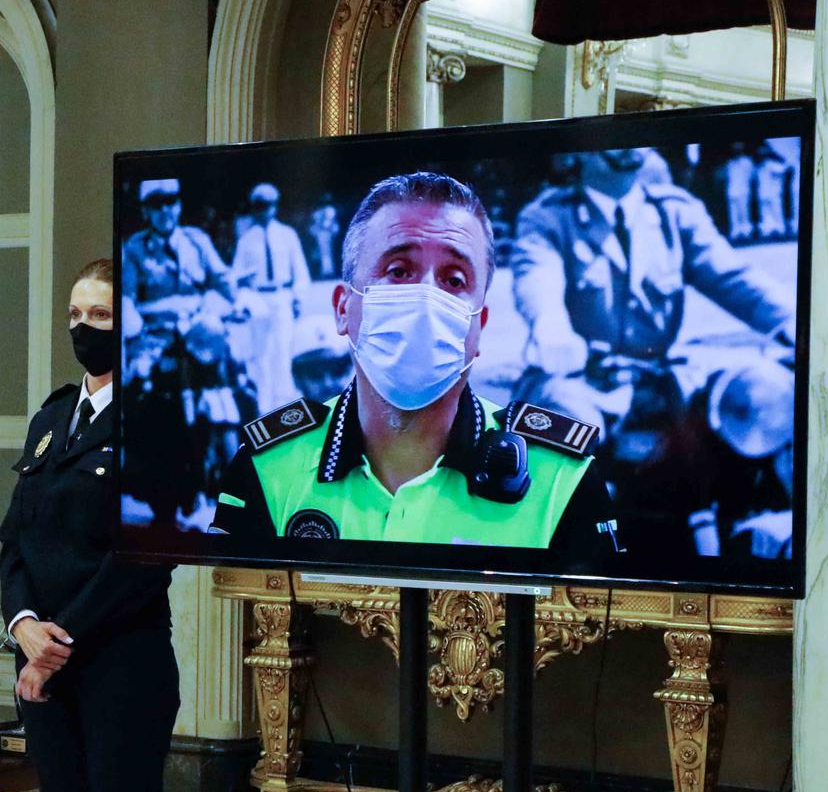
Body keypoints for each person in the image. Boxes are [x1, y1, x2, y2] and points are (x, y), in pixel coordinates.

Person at [0, 258, 176, 792]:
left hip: (122, 670)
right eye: (75, 309)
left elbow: (146, 554)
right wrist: (23, 621)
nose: (84, 324)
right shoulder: (53, 418)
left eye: (100, 311)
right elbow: (13, 540)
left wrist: (58, 640)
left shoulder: (157, 420)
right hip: (49, 668)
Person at [212, 172, 614, 553]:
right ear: (343, 308)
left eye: (455, 279)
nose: (425, 299)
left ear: (480, 327)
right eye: (399, 270)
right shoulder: (269, 470)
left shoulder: (561, 482)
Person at [510, 147, 792, 554]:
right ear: (580, 156)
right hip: (580, 377)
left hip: (663, 377)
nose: (627, 149)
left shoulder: (673, 212)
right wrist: (552, 331)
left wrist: (796, 322)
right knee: (567, 428)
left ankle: (747, 535)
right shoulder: (549, 217)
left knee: (756, 404)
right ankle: (566, 553)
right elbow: (536, 280)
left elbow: (733, 277)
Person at [229, 182, 310, 408]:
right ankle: (264, 406)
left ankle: (286, 404)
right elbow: (236, 274)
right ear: (253, 208)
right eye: (259, 206)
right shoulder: (246, 240)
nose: (264, 211)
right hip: (259, 299)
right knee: (262, 354)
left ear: (275, 206)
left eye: (268, 205)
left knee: (284, 351)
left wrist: (297, 296)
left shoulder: (287, 235)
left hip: (282, 295)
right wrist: (243, 290)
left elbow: (300, 270)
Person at [118, 178, 234, 315]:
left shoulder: (198, 241)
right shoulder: (134, 249)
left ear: (179, 206)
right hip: (155, 331)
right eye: (156, 204)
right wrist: (170, 306)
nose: (164, 210)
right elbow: (127, 303)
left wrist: (234, 302)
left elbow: (223, 280)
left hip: (198, 326)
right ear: (146, 211)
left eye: (170, 202)